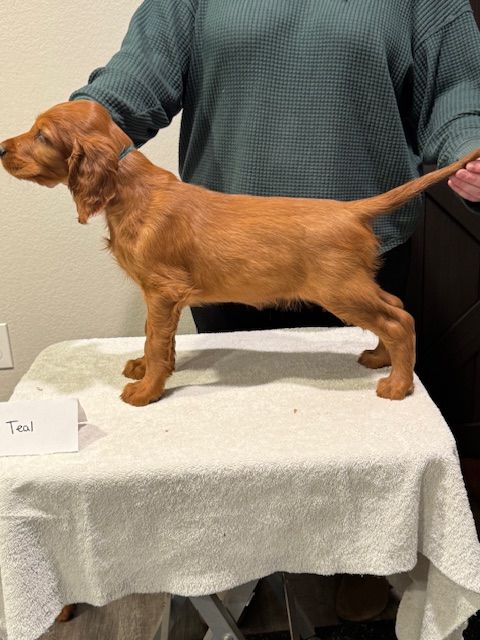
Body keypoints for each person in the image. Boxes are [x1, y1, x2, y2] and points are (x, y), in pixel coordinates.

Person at [70, 0, 480, 621]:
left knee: (352, 437)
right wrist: (75, 127)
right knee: (233, 433)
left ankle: (356, 556)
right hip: (224, 249)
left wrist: (471, 148)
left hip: (342, 239)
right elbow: (134, 80)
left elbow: (458, 88)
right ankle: (239, 564)